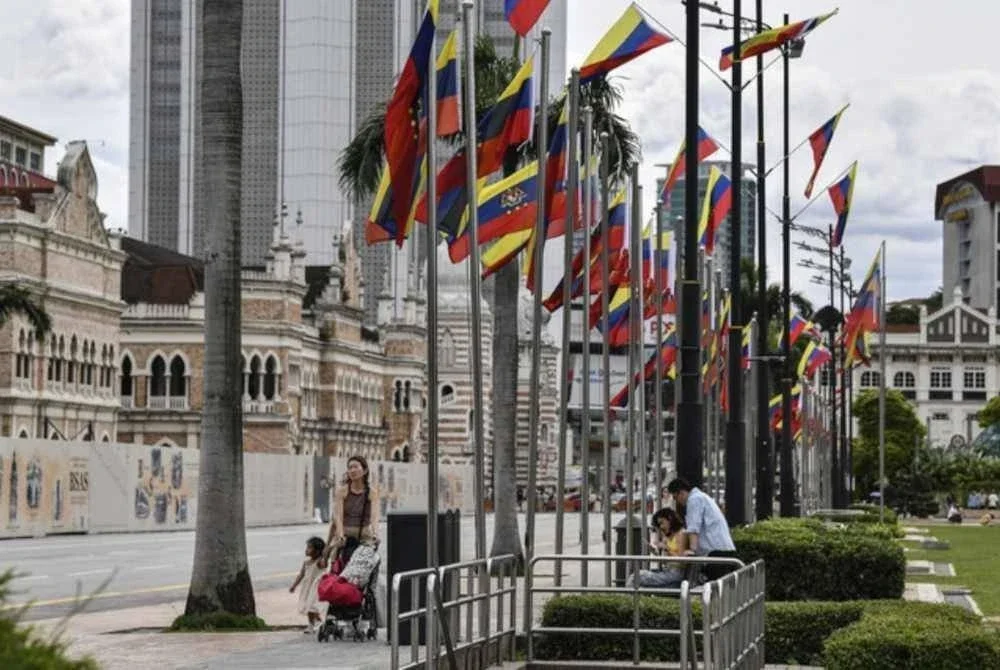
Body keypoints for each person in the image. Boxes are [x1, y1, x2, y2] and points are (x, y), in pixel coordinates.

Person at [665, 477, 737, 581]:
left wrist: (692, 551)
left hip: (716, 552)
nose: (677, 502)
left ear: (681, 492)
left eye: (675, 497)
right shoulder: (702, 497)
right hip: (723, 549)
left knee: (714, 591)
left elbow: (694, 528)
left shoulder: (694, 500)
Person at [324, 455, 380, 561]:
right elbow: (338, 516)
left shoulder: (372, 492)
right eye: (349, 468)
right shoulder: (342, 491)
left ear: (365, 471)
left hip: (364, 535)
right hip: (345, 534)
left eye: (355, 467)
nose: (352, 470)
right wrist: (340, 534)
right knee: (337, 567)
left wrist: (376, 533)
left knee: (367, 566)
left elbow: (374, 516)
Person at [626, 508, 688, 588]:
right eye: (659, 525)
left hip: (676, 574)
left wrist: (666, 548)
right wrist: (655, 552)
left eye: (662, 523)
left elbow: (681, 561)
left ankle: (627, 598)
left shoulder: (681, 534)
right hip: (668, 571)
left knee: (635, 578)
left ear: (670, 519)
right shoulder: (668, 537)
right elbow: (667, 561)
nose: (661, 527)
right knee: (636, 577)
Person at [289, 536, 327, 633]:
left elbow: (325, 563)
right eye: (307, 547)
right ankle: (314, 623)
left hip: (316, 588)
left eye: (310, 547)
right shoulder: (306, 563)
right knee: (308, 606)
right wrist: (294, 585)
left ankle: (315, 623)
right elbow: (301, 575)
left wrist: (326, 552)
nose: (307, 550)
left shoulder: (320, 562)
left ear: (318, 551)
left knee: (312, 606)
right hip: (307, 588)